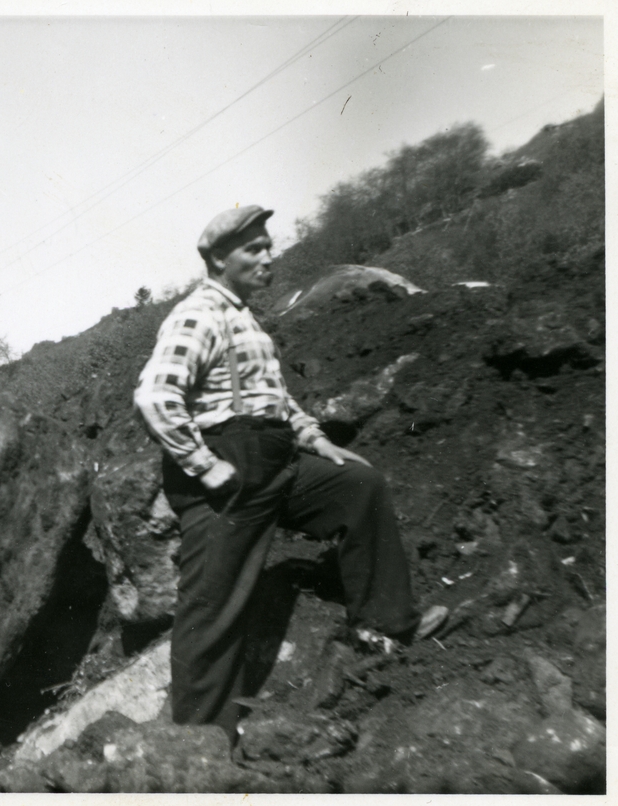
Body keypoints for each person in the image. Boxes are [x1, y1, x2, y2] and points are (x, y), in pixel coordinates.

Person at [133, 205, 444, 742]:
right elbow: (155, 397)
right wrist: (205, 467)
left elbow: (273, 400)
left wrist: (317, 440)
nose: (268, 257)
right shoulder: (200, 313)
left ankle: (387, 624)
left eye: (268, 246)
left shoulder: (246, 318)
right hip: (228, 470)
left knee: (357, 486)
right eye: (253, 248)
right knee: (214, 604)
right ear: (217, 258)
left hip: (274, 460)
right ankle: (199, 743)